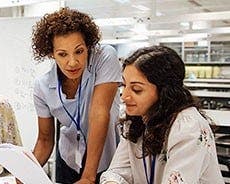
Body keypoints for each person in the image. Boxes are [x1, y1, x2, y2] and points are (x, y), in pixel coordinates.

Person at [100, 46, 224, 184]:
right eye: (124, 85)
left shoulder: (188, 127)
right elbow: (117, 171)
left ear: (164, 92)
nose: (124, 96)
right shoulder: (137, 120)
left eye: (136, 89)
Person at [31, 8, 122, 184]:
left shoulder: (104, 57)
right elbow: (44, 140)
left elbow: (99, 114)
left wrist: (88, 177)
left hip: (106, 158)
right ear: (51, 53)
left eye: (79, 51)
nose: (72, 62)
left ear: (88, 45)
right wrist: (27, 173)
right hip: (69, 160)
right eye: (62, 54)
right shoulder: (42, 86)